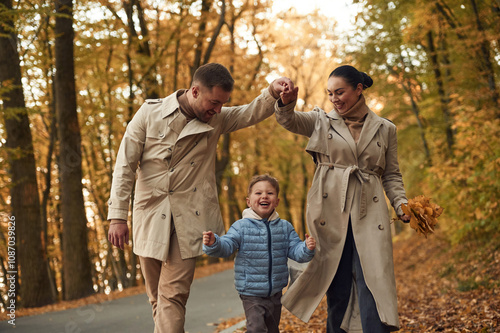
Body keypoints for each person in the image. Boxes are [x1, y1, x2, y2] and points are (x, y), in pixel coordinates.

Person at [107, 63, 296, 333]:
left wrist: (272, 92)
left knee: (172, 295)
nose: (218, 109)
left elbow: (247, 113)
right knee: (157, 299)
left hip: (190, 220)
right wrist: (117, 216)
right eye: (214, 102)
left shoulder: (215, 118)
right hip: (149, 215)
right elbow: (124, 165)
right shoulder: (150, 113)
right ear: (195, 91)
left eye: (223, 104)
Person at [275, 65, 410, 333]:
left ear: (359, 89)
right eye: (330, 94)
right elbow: (289, 121)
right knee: (337, 285)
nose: (335, 99)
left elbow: (392, 174)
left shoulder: (385, 129)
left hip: (369, 212)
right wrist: (286, 103)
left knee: (374, 279)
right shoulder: (320, 120)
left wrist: (401, 203)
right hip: (330, 210)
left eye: (340, 92)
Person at [203, 174, 316, 333]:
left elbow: (296, 251)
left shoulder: (284, 227)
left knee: (272, 329)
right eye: (258, 193)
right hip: (251, 292)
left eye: (270, 193)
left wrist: (307, 248)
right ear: (249, 201)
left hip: (275, 291)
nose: (264, 196)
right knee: (256, 328)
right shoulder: (241, 227)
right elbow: (227, 245)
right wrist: (214, 243)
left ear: (276, 201)